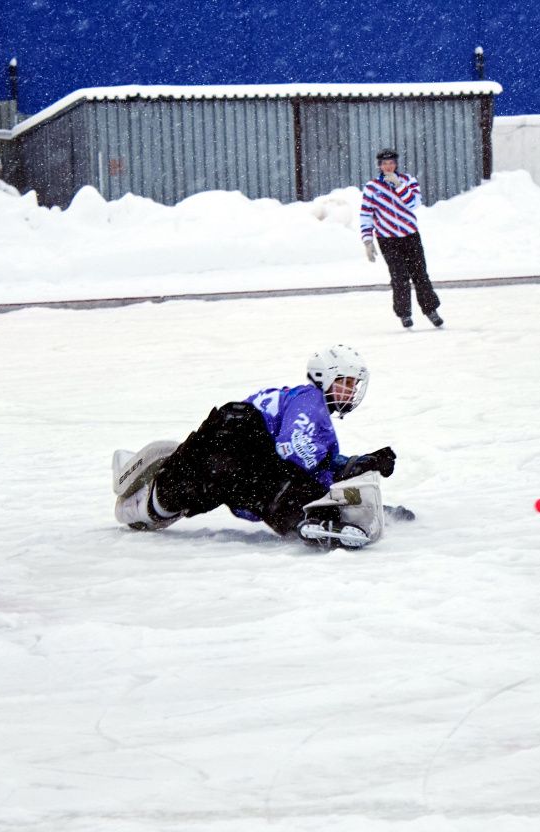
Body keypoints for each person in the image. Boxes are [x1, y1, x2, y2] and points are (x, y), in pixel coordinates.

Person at [113, 345, 396, 549]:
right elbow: (295, 452)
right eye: (345, 382)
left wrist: (360, 464)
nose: (351, 390)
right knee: (276, 490)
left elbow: (312, 460)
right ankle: (318, 517)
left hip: (228, 446)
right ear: (325, 378)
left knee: (204, 492)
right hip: (236, 437)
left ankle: (151, 500)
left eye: (354, 384)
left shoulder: (311, 413)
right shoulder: (311, 399)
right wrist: (339, 484)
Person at [360, 147, 444, 330]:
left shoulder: (408, 181)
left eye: (391, 163)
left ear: (396, 164)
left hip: (410, 236)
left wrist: (399, 185)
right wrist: (367, 240)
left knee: (420, 275)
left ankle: (431, 310)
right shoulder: (372, 187)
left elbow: (414, 203)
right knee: (399, 277)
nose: (388, 167)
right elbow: (366, 215)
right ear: (380, 166)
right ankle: (404, 314)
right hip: (387, 239)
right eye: (384, 164)